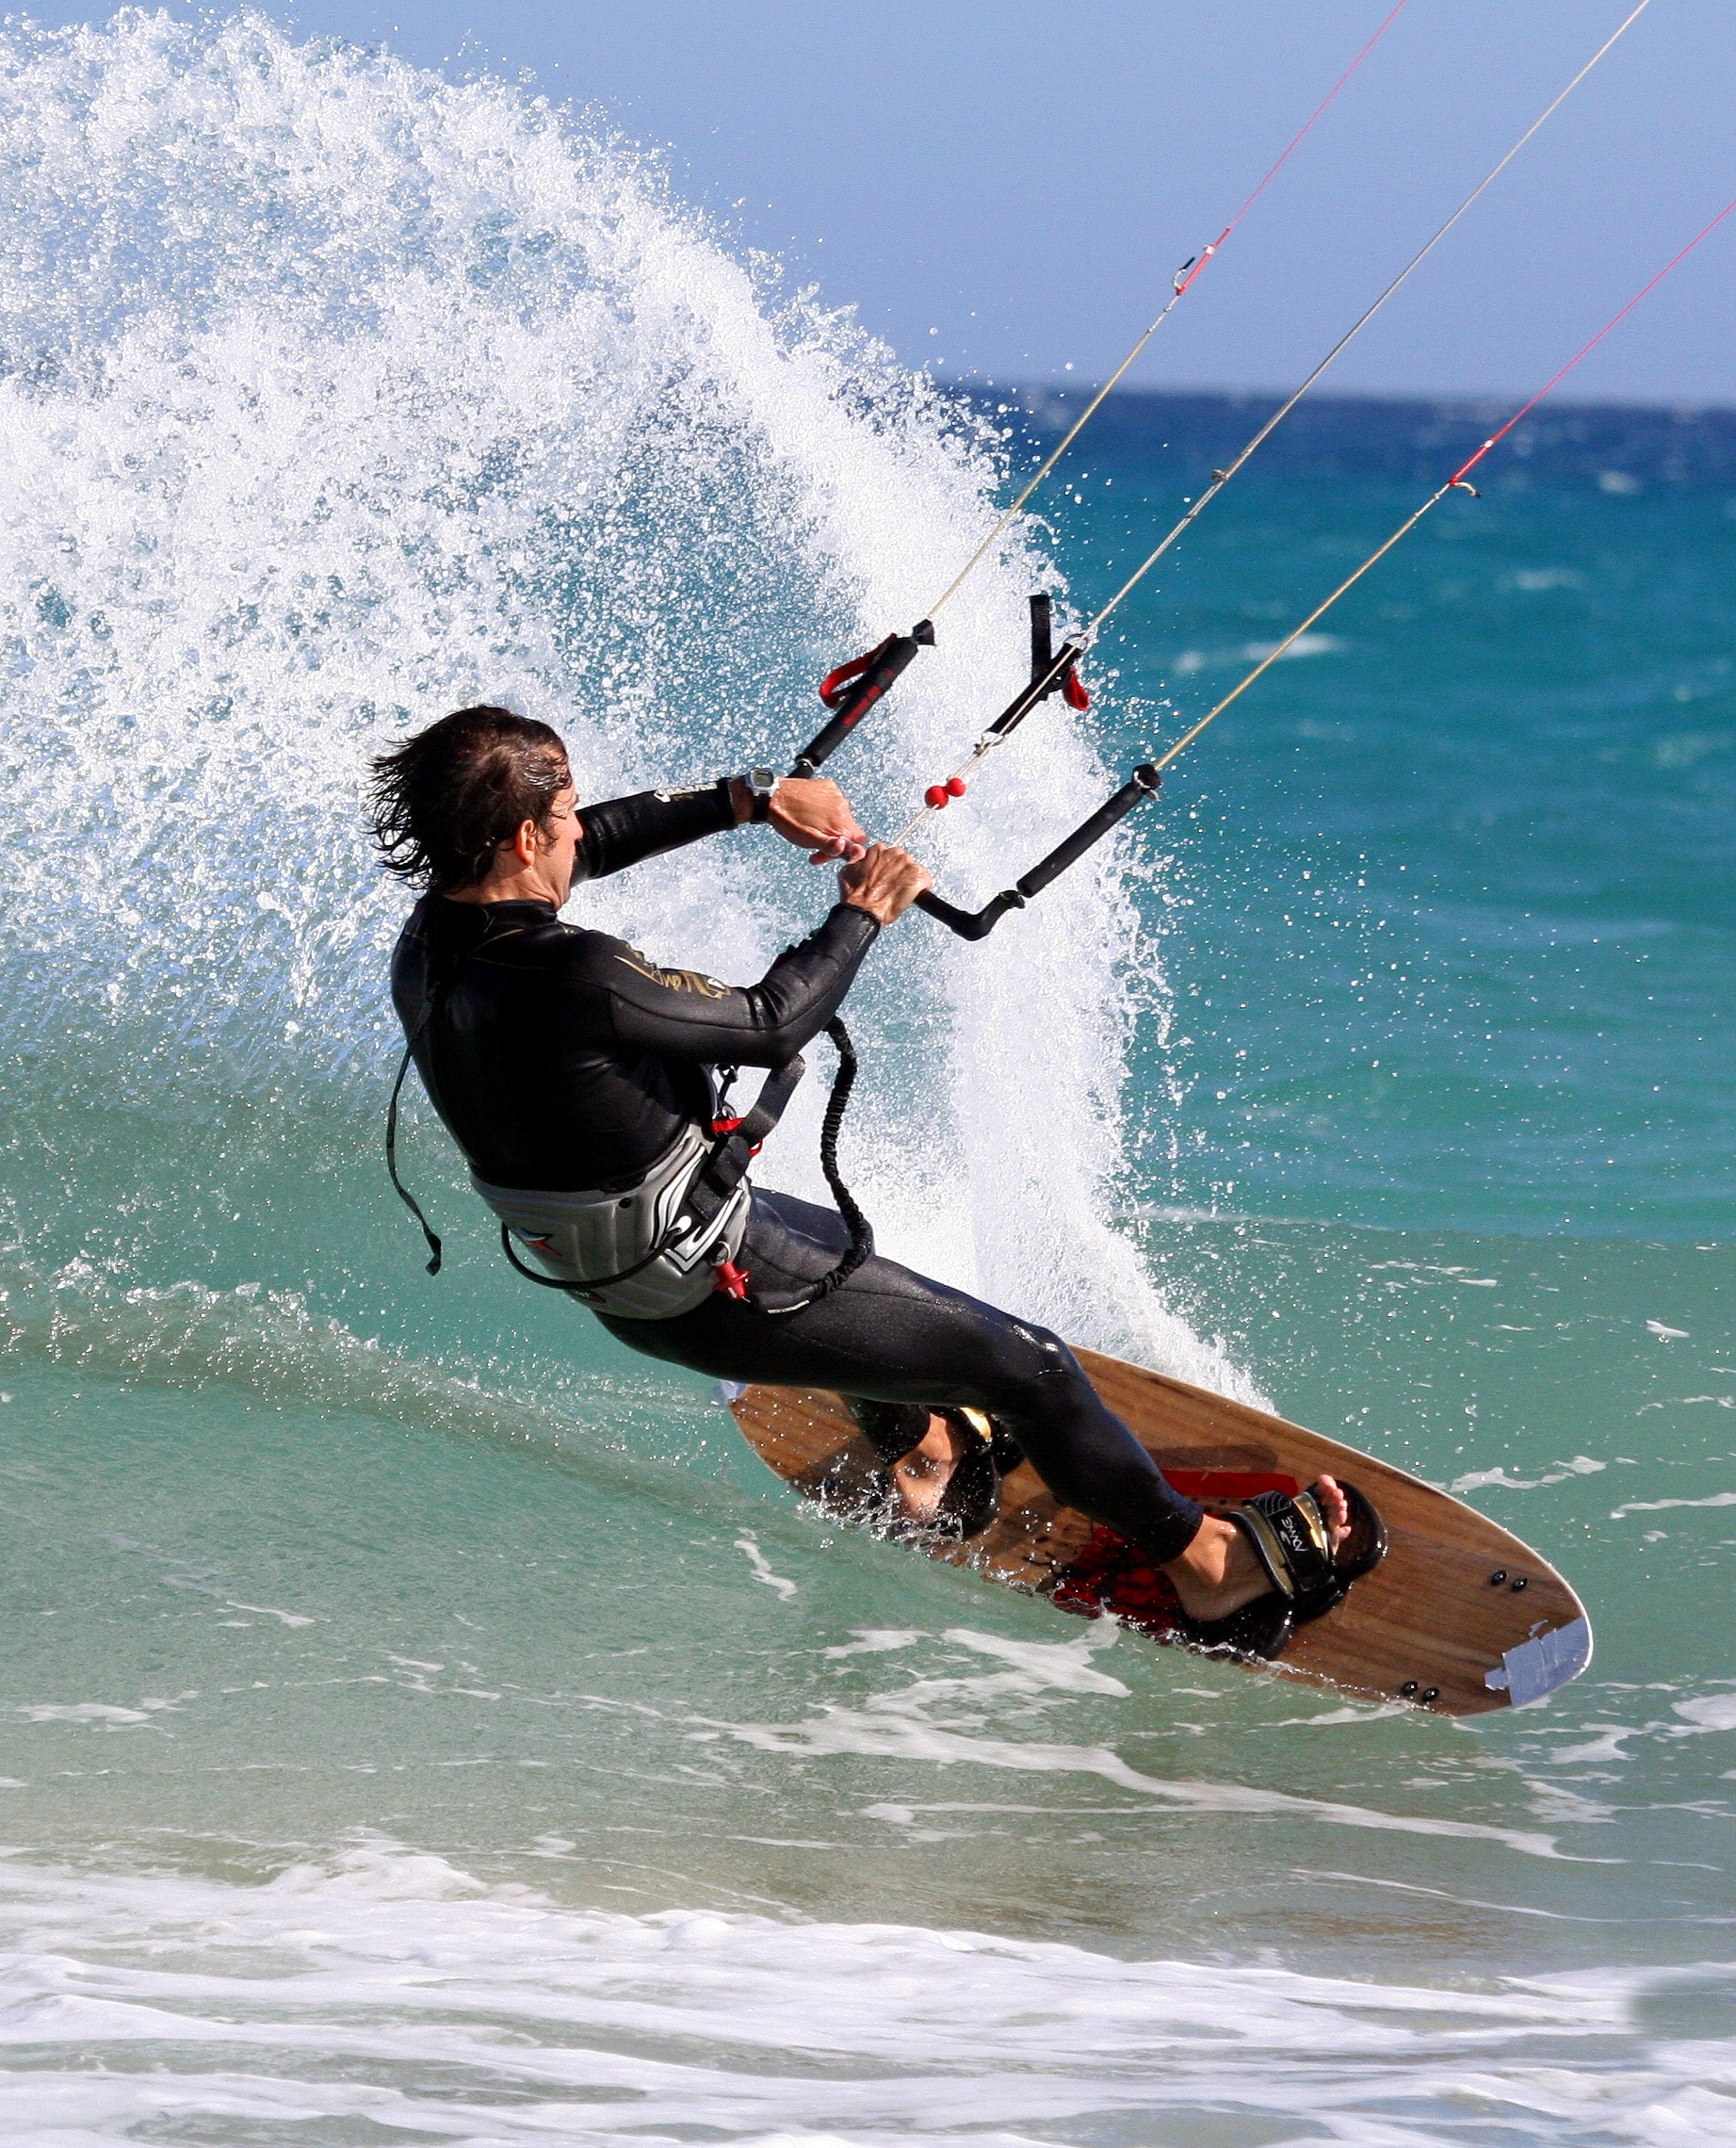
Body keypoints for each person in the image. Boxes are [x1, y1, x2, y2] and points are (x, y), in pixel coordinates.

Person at [370, 705, 1376, 1652]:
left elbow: (599, 843)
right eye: (563, 819)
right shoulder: (571, 975)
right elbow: (771, 1025)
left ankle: (923, 1450)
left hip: (639, 1275)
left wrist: (750, 797)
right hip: (713, 1276)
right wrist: (865, 912)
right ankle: (1205, 1565)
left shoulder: (435, 943)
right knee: (1033, 1368)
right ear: (521, 842)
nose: (582, 833)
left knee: (860, 1271)